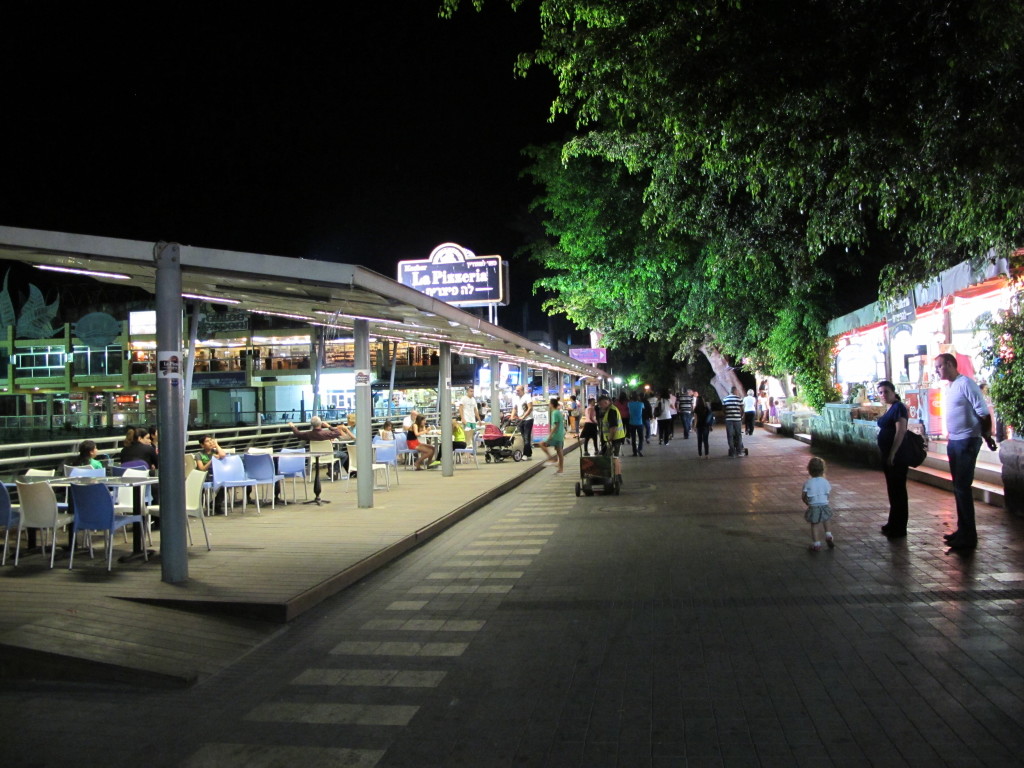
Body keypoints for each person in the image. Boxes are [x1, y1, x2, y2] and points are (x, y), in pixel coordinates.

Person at [934, 353, 997, 549]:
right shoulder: (951, 386)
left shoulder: (966, 384)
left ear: (951, 364)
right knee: (959, 488)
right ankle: (963, 530)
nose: (937, 370)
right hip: (955, 441)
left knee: (963, 488)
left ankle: (968, 536)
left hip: (967, 441)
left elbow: (983, 413)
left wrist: (986, 436)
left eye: (939, 366)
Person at [876, 380, 910, 538]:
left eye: (886, 392)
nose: (883, 395)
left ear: (893, 392)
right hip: (887, 454)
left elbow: (900, 431)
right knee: (893, 490)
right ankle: (893, 522)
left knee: (898, 490)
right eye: (881, 392)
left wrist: (893, 453)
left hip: (897, 456)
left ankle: (899, 526)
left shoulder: (898, 408)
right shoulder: (890, 408)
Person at [802, 456, 834, 551]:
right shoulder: (825, 482)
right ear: (823, 470)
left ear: (809, 470)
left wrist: (807, 502)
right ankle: (828, 534)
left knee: (814, 523)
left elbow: (803, 496)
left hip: (813, 506)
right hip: (824, 504)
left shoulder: (808, 483)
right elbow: (828, 494)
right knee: (826, 518)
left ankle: (816, 543)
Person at [596, 393, 625, 484]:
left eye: (601, 404)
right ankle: (618, 477)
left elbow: (613, 427)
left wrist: (609, 439)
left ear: (606, 402)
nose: (600, 407)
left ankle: (616, 477)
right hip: (616, 438)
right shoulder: (610, 410)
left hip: (614, 438)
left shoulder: (611, 411)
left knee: (614, 458)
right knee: (615, 458)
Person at [196, 435, 228, 514]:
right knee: (201, 487)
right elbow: (202, 469)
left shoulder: (215, 452)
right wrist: (212, 460)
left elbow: (223, 455)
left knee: (224, 485)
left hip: (215, 476)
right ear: (202, 445)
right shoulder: (199, 455)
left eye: (211, 440)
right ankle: (199, 506)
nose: (210, 442)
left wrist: (216, 445)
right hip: (204, 477)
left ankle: (216, 504)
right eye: (207, 441)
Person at [539, 397, 566, 474]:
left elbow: (555, 425)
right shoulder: (558, 412)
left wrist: (550, 435)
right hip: (560, 434)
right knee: (560, 452)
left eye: (549, 404)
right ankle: (561, 469)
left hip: (555, 435)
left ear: (551, 404)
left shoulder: (554, 413)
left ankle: (551, 459)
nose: (549, 406)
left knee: (541, 443)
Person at [513, 384, 534, 459]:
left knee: (526, 437)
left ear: (522, 390)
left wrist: (524, 416)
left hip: (528, 420)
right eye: (516, 390)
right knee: (523, 437)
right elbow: (515, 408)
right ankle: (529, 453)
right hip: (520, 419)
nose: (517, 392)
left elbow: (530, 408)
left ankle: (525, 454)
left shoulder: (527, 397)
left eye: (518, 390)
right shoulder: (516, 398)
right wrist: (512, 416)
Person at [722, 386, 745, 457]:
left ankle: (732, 452)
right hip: (737, 420)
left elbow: (723, 409)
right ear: (735, 391)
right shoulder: (739, 399)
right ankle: (739, 451)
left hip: (729, 420)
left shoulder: (725, 399)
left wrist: (727, 415)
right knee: (738, 435)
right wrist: (740, 417)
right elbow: (742, 410)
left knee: (730, 435)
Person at [627, 392, 645, 457]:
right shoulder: (641, 404)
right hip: (640, 422)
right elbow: (643, 410)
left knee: (633, 438)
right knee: (641, 438)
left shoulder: (629, 404)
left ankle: (634, 452)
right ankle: (639, 449)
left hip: (631, 422)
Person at [693, 392, 710, 459]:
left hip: (699, 425)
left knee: (699, 440)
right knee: (706, 440)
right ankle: (707, 454)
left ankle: (700, 454)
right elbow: (709, 417)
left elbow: (696, 419)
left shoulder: (696, 409)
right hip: (706, 425)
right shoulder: (706, 408)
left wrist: (694, 426)